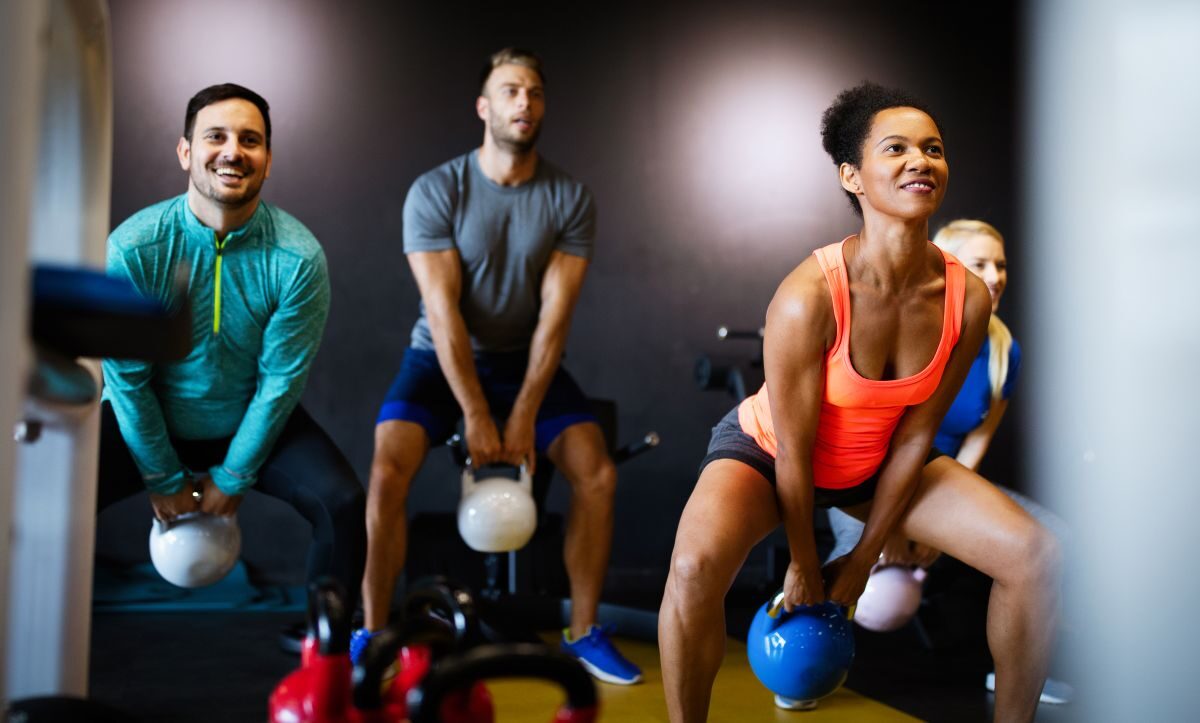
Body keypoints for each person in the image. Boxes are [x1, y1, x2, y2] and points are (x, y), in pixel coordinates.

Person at [659, 82, 1060, 722]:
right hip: (769, 454)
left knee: (1036, 555)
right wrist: (805, 560)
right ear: (852, 175)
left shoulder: (968, 300)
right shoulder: (808, 295)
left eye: (933, 149)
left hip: (875, 462)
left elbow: (916, 434)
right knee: (692, 566)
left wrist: (866, 557)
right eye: (896, 148)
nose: (920, 161)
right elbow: (794, 446)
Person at [359, 48, 641, 685]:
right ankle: (372, 635)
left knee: (596, 473)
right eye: (511, 91)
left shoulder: (570, 197)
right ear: (484, 107)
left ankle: (583, 631)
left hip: (526, 362)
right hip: (438, 357)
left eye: (536, 93)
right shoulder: (436, 190)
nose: (525, 103)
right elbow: (444, 311)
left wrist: (521, 412)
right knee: (385, 470)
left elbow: (555, 318)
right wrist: (478, 414)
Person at [99, 83, 366, 614]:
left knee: (342, 503)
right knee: (42, 500)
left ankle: (326, 652)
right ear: (185, 152)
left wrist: (234, 475)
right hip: (151, 424)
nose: (233, 151)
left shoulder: (297, 257)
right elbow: (127, 379)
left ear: (267, 161)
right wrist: (162, 477)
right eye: (215, 136)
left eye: (251, 140)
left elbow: (280, 381)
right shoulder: (135, 248)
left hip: (249, 418)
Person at [825, 219, 1073, 704]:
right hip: (868, 478)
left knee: (1056, 546)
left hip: (942, 481)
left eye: (1000, 264)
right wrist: (891, 531)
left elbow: (976, 444)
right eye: (980, 264)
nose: (996, 275)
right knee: (866, 588)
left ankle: (1019, 672)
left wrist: (954, 522)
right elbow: (887, 434)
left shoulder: (1004, 348)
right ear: (950, 266)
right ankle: (798, 669)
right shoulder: (911, 329)